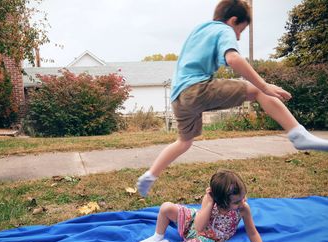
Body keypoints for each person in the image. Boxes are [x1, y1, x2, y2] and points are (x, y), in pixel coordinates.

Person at [136, 0, 328, 197]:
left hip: (179, 98)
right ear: (233, 20)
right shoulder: (223, 29)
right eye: (240, 31)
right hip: (195, 90)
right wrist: (264, 85)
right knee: (259, 91)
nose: (237, 37)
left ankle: (149, 176)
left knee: (184, 142)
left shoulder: (199, 30)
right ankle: (298, 135)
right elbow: (233, 59)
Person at [137, 170, 277, 242]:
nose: (243, 201)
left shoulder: (243, 209)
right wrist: (209, 203)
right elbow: (198, 226)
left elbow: (252, 233)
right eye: (236, 201)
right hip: (195, 222)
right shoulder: (210, 201)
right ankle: (157, 236)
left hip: (208, 240)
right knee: (166, 207)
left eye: (243, 197)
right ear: (221, 200)